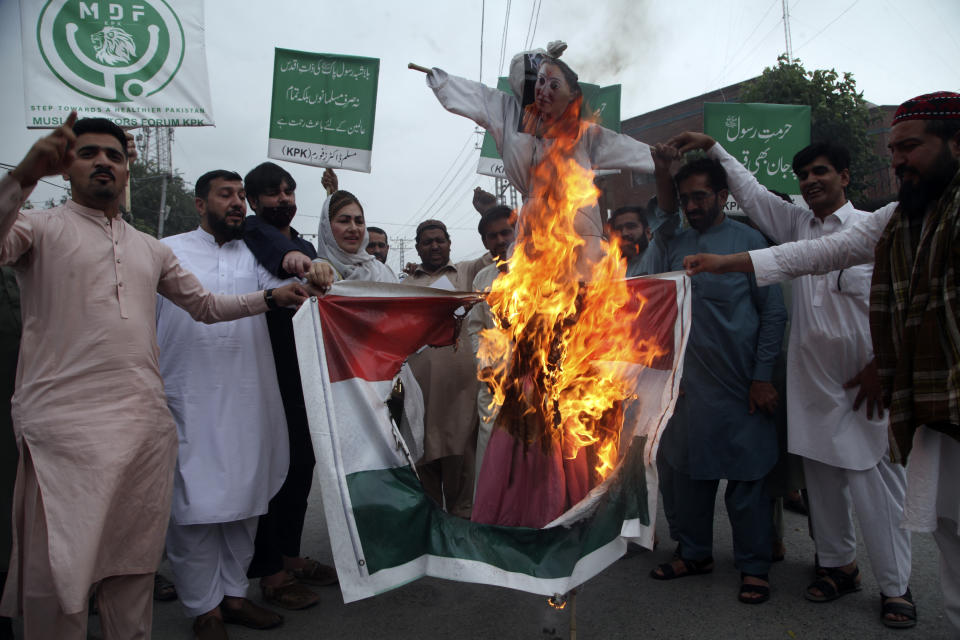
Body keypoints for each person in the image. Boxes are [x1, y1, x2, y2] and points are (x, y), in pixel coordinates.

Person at [0, 113, 307, 640]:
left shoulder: (149, 248)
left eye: (114, 156)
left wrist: (271, 297)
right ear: (66, 165)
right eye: (89, 153)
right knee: (62, 567)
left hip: (143, 422)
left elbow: (207, 306)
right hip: (63, 429)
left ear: (128, 168)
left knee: (134, 562)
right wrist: (25, 174)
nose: (102, 163)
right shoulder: (39, 227)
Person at [682, 91, 960, 631]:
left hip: (867, 384)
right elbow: (761, 203)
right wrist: (717, 150)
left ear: (845, 177)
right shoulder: (800, 226)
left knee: (876, 491)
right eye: (804, 175)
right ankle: (838, 566)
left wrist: (884, 365)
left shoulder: (874, 224)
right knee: (824, 485)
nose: (811, 182)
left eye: (820, 172)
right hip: (811, 383)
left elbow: (905, 304)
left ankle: (895, 586)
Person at [158, 170, 295, 638]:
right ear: (200, 205)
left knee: (245, 500)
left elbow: (285, 283)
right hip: (187, 394)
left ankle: (235, 597)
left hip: (248, 394)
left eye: (241, 196)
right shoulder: (168, 250)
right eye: (226, 195)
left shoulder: (251, 255)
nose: (237, 203)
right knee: (192, 506)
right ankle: (204, 611)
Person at [646, 157, 787, 606]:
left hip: (742, 384)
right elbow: (654, 309)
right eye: (686, 197)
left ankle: (754, 566)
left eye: (701, 196)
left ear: (723, 196)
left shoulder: (749, 244)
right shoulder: (672, 245)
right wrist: (667, 375)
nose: (692, 205)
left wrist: (762, 378)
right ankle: (695, 553)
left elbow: (773, 315)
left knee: (748, 482)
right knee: (688, 477)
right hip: (689, 389)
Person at [421, 41, 655, 278]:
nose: (543, 93)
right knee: (536, 295)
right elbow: (476, 96)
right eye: (539, 83)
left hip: (581, 220)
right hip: (535, 225)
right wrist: (442, 81)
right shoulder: (507, 111)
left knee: (589, 292)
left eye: (553, 85)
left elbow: (621, 146)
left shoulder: (579, 131)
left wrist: (655, 155)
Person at [241, 161, 334, 612]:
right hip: (260, 376)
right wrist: (297, 262)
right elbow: (270, 245)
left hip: (301, 376)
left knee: (301, 466)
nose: (284, 200)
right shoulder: (251, 235)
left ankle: (292, 557)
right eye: (273, 193)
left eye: (289, 191)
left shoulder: (305, 245)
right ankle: (270, 573)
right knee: (271, 474)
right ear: (253, 201)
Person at [400, 219, 491, 517]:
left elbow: (500, 252)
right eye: (427, 242)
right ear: (417, 247)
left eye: (440, 240)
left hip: (462, 392)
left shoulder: (467, 272)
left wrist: (487, 212)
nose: (434, 246)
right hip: (421, 394)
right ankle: (433, 532)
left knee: (462, 467)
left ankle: (461, 532)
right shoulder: (404, 285)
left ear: (449, 243)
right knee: (424, 462)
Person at [465, 205, 517, 481]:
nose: (500, 240)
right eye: (492, 236)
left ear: (517, 231)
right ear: (485, 242)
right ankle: (490, 522)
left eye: (505, 232)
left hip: (536, 383)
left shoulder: (542, 271)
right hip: (494, 383)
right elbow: (476, 328)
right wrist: (485, 367)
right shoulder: (482, 279)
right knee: (492, 465)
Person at [607, 205, 652, 276]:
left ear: (648, 232)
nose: (624, 233)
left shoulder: (656, 255)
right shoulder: (611, 268)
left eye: (631, 226)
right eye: (619, 229)